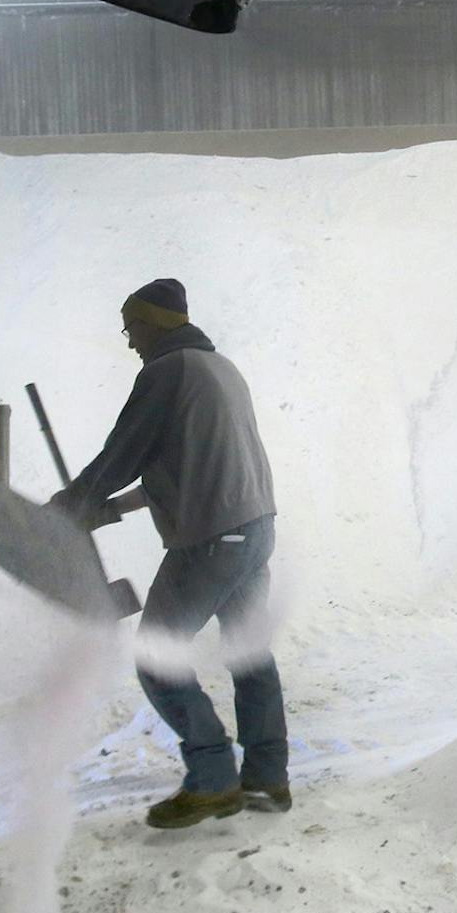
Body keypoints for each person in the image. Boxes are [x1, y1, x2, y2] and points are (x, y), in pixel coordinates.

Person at [49, 278, 288, 829]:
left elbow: (125, 451)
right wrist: (109, 509)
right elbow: (186, 462)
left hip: (211, 540)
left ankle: (213, 778)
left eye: (131, 328)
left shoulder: (166, 371)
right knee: (248, 651)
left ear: (152, 323)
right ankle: (267, 775)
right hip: (252, 530)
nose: (131, 342)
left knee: (156, 656)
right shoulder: (218, 368)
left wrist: (71, 505)